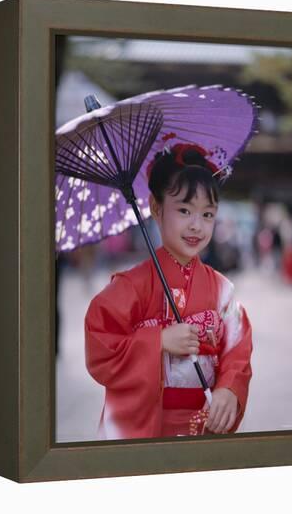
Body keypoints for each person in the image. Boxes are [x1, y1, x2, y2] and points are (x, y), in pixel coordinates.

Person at [84, 141, 253, 440]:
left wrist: (228, 389)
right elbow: (100, 346)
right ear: (155, 208)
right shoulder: (130, 286)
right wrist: (157, 341)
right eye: (185, 210)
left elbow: (237, 349)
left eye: (208, 214)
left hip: (203, 422)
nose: (196, 226)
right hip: (145, 425)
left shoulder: (222, 289)